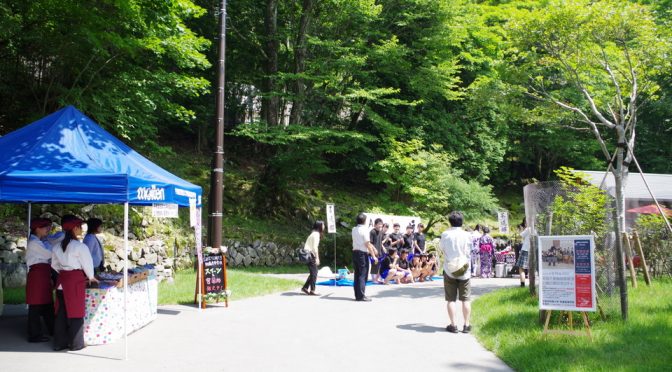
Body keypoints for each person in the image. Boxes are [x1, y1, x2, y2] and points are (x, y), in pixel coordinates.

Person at [51, 215, 98, 351]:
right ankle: (76, 344)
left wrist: (64, 271)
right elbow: (87, 265)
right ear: (75, 228)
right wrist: (91, 276)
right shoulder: (79, 247)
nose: (82, 229)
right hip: (75, 281)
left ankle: (59, 343)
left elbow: (54, 265)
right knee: (76, 313)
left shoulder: (57, 246)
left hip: (62, 281)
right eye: (80, 227)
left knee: (61, 313)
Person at [440, 211, 473, 333]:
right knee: (466, 299)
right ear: (462, 222)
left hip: (449, 269)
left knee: (451, 299)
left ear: (450, 222)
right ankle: (466, 325)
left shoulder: (445, 234)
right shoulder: (467, 235)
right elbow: (470, 250)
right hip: (464, 270)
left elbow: (441, 248)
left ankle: (453, 325)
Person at [25, 218, 55, 343]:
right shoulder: (34, 243)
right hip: (38, 275)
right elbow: (49, 254)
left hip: (42, 274)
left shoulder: (40, 241)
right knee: (36, 305)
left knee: (47, 304)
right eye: (45, 227)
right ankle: (35, 334)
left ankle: (53, 329)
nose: (47, 229)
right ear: (37, 229)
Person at [352, 213, 378, 301]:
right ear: (365, 221)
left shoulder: (354, 229)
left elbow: (367, 243)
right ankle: (361, 296)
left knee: (357, 274)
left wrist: (373, 249)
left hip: (355, 253)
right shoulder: (365, 230)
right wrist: (374, 256)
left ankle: (357, 295)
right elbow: (367, 244)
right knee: (363, 275)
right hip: (362, 254)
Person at [301, 221, 324, 296]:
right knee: (314, 272)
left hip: (307, 254)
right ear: (319, 226)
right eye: (323, 225)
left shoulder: (313, 233)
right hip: (310, 254)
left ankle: (305, 287)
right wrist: (317, 258)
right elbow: (314, 247)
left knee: (313, 272)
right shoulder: (316, 234)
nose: (324, 226)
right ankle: (312, 290)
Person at [369, 218, 385, 283]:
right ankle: (373, 279)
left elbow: (380, 242)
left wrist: (383, 247)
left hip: (379, 251)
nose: (380, 226)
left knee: (379, 265)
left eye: (381, 224)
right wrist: (374, 249)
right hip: (373, 251)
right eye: (379, 224)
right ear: (375, 225)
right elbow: (370, 243)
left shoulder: (381, 232)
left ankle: (378, 278)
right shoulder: (372, 232)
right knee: (374, 265)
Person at [517, 220, 531, 287]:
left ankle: (522, 284)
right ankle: (532, 285)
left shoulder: (528, 229)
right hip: (533, 250)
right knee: (531, 268)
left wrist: (521, 230)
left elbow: (520, 236)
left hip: (525, 250)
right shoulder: (536, 229)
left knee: (521, 268)